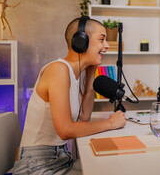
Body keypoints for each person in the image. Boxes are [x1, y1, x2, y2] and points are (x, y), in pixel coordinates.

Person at [13, 16, 126, 174]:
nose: (106, 46)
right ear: (81, 42)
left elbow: (84, 118)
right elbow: (66, 130)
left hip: (59, 159)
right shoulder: (58, 70)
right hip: (37, 165)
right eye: (101, 40)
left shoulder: (74, 75)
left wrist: (91, 73)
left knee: (111, 168)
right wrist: (110, 124)